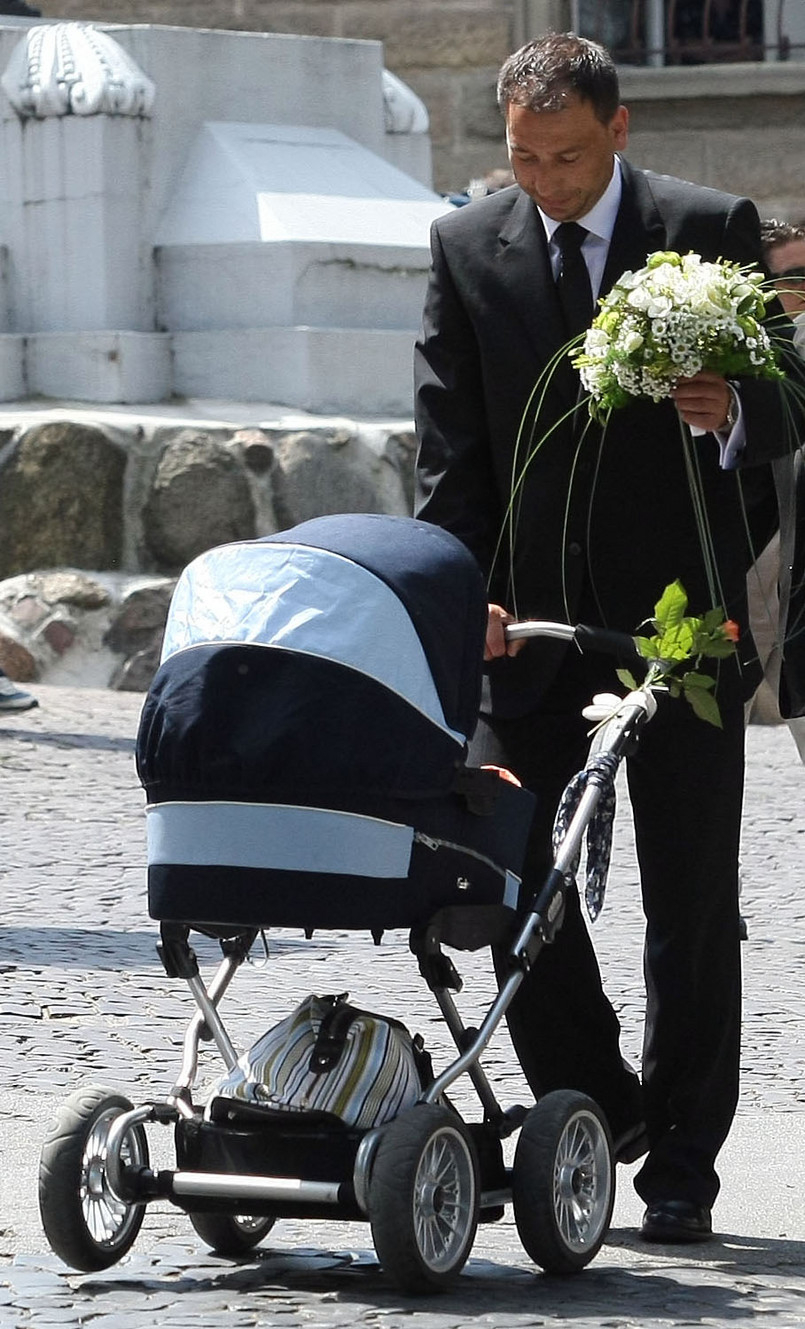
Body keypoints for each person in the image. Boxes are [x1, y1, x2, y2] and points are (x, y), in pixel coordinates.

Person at [414, 31, 804, 1244]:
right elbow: (450, 448)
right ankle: (595, 1104)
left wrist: (734, 406)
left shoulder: (708, 224)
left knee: (690, 903)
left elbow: (791, 394)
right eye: (525, 160)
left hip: (683, 629)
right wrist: (460, 590)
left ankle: (682, 1160)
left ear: (619, 130)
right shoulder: (463, 247)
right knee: (513, 882)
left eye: (569, 158)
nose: (546, 183)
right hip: (525, 632)